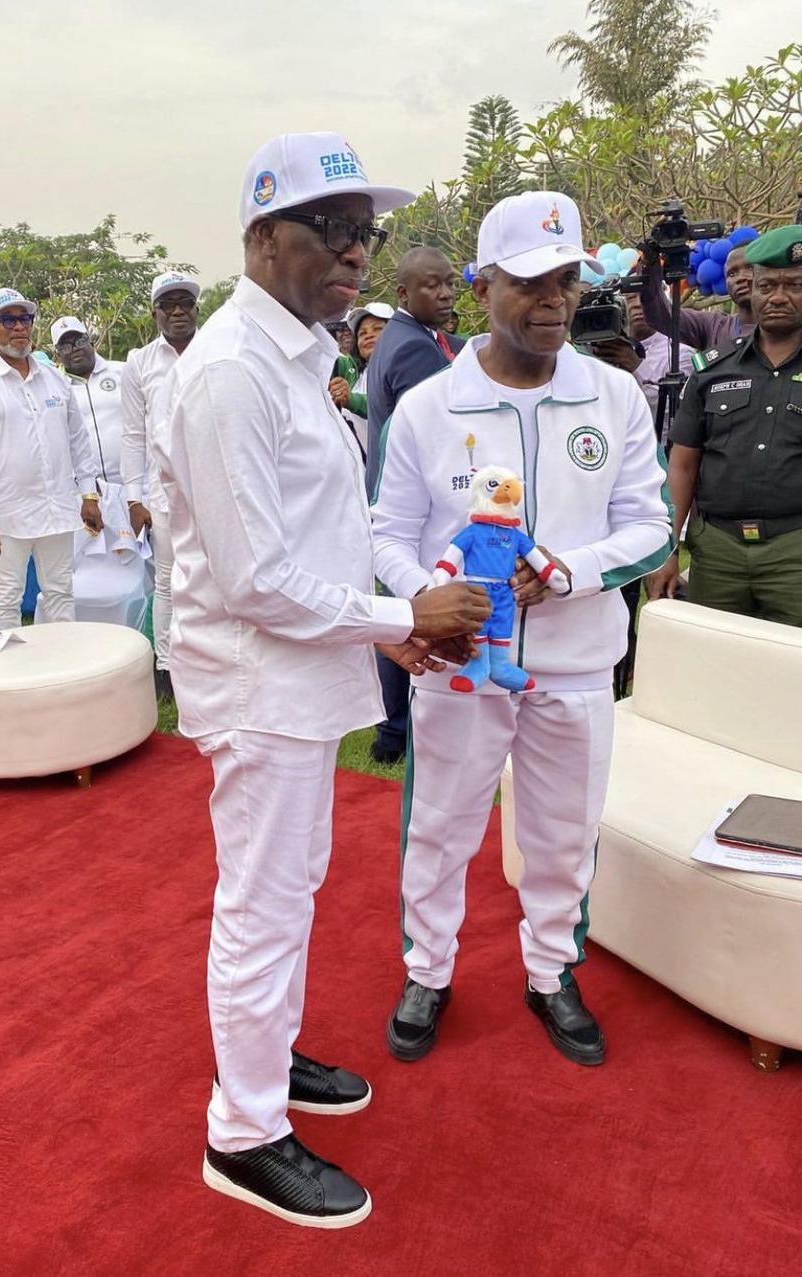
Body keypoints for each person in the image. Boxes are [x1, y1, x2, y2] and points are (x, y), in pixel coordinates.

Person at [154, 130, 490, 1229]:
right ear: (262, 237)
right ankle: (240, 1132)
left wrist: (391, 629)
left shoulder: (296, 354)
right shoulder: (228, 373)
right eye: (329, 229)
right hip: (259, 684)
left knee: (286, 894)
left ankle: (267, 1058)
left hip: (301, 674)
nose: (354, 252)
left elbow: (319, 534)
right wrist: (400, 616)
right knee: (258, 904)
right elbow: (256, 577)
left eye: (364, 233)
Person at [372, 190, 673, 1070]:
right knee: (440, 825)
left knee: (563, 830)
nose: (553, 301)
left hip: (576, 665)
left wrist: (567, 571)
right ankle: (428, 969)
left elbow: (650, 524)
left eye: (567, 282)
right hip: (461, 664)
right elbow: (384, 532)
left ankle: (551, 971)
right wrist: (429, 597)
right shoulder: (430, 406)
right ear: (482, 284)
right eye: (529, 283)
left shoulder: (612, 395)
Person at [647, 224, 802, 623]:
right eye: (767, 286)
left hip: (795, 551)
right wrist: (667, 551)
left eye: (794, 285)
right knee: (717, 668)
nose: (778, 297)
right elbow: (682, 465)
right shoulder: (713, 368)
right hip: (718, 552)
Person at [0, 288, 104, 631]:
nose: (19, 328)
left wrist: (88, 494)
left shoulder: (55, 379)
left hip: (57, 508)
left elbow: (78, 440)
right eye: (8, 320)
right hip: (4, 515)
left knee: (61, 592)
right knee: (7, 597)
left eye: (25, 319)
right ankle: (8, 676)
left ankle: (63, 669)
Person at [365, 246, 460, 765]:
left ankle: (393, 728)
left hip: (397, 498)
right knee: (410, 612)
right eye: (431, 285)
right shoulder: (411, 350)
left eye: (448, 282)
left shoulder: (418, 338)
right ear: (403, 293)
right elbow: (440, 433)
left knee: (401, 612)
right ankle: (397, 729)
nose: (445, 293)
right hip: (411, 504)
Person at [121, 271, 200, 696]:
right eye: (167, 304)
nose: (177, 311)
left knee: (218, 575)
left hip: (213, 488)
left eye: (184, 302)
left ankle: (213, 657)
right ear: (155, 312)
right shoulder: (140, 361)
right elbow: (133, 433)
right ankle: (168, 666)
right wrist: (134, 497)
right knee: (168, 580)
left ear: (196, 308)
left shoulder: (216, 347)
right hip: (163, 491)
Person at [590, 291, 696, 432]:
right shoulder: (598, 350)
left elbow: (677, 414)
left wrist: (637, 366)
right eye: (630, 298)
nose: (637, 305)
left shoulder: (680, 352)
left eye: (645, 297)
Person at [51, 316, 126, 485]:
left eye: (79, 341)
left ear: (91, 342)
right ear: (57, 353)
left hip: (138, 487)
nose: (75, 349)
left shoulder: (124, 371)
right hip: (88, 495)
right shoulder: (55, 388)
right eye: (65, 346)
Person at [641, 242, 755, 349]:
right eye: (732, 273)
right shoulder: (715, 327)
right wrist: (651, 267)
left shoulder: (772, 329)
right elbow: (662, 316)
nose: (740, 278)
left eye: (750, 268)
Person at [328, 300, 393, 461]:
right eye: (362, 333)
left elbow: (388, 407)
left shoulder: (402, 370)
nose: (369, 335)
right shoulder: (352, 371)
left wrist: (351, 400)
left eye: (378, 329)